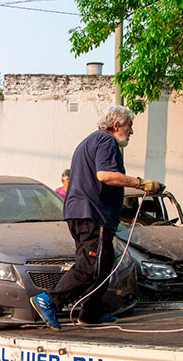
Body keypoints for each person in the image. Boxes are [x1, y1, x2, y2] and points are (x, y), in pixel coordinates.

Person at [29, 105, 164, 329]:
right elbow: (105, 175)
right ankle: (49, 300)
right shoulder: (106, 141)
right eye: (129, 126)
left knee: (105, 263)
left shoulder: (90, 141)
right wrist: (141, 183)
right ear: (116, 125)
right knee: (91, 265)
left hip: (82, 212)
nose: (131, 132)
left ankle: (91, 311)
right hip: (93, 214)